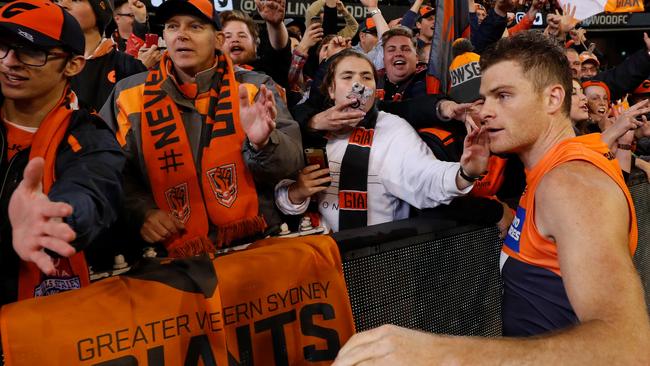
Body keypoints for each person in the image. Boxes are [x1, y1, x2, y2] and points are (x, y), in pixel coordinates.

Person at [332, 31, 649, 365]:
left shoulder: (570, 183)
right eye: (485, 98)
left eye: (504, 96)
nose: (485, 112)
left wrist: (441, 354)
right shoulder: (549, 172)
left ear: (553, 99)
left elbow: (627, 347)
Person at [100, 0, 303, 257]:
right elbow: (109, 171)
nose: (182, 34)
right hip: (170, 256)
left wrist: (264, 144)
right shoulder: (128, 94)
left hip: (253, 247)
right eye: (173, 26)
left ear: (218, 39)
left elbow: (294, 161)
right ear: (164, 35)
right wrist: (141, 211)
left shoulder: (254, 88)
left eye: (195, 26)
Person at [275, 49, 489, 232]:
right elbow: (279, 196)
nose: (357, 84)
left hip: (375, 258)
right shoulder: (307, 129)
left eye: (366, 77)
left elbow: (424, 177)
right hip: (319, 261)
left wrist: (464, 174)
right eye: (347, 77)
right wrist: (297, 192)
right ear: (331, 89)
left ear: (375, 91)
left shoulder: (392, 129)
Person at [0, 0, 125, 304]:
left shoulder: (89, 137)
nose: (9, 62)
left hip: (31, 321)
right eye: (2, 47)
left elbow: (91, 188)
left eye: (31, 51)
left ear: (73, 64)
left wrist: (55, 220)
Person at [54, 0, 149, 111]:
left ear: (99, 11)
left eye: (75, 0)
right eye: (58, 0)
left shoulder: (127, 66)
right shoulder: (48, 61)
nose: (62, 4)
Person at [220, 5, 292, 89]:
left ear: (255, 44)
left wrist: (275, 25)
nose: (235, 40)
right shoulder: (210, 79)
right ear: (217, 44)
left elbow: (280, 52)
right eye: (228, 36)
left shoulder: (269, 72)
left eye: (242, 36)